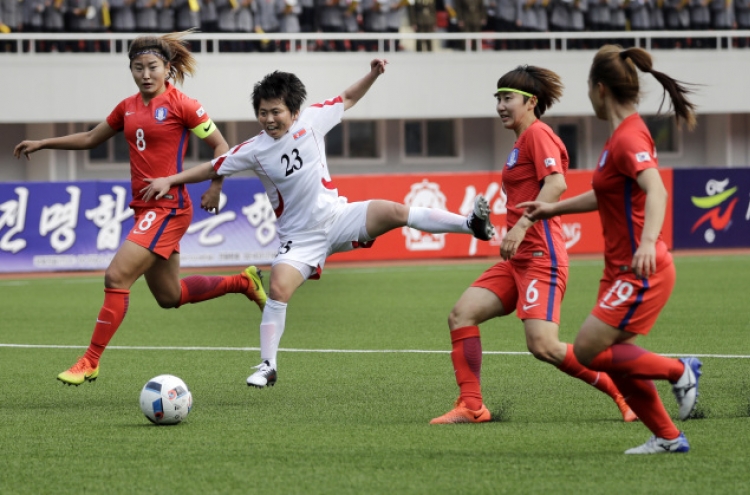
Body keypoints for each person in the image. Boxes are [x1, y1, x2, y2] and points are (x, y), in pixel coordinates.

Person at [141, 59, 496, 388]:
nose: (268, 119)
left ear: (293, 111)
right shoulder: (253, 149)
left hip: (338, 217)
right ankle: (267, 365)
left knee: (395, 212)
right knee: (279, 288)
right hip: (300, 238)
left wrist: (373, 74)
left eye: (275, 111)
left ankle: (471, 224)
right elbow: (212, 167)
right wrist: (170, 182)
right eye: (262, 112)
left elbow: (348, 97)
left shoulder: (314, 119)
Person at [13, 31, 267, 386]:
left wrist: (215, 185)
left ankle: (90, 361)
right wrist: (44, 142)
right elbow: (90, 138)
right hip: (144, 209)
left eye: (152, 67)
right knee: (169, 296)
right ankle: (243, 281)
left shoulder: (184, 105)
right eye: (137, 68)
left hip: (169, 208)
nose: (145, 74)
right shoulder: (127, 107)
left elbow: (222, 145)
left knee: (116, 277)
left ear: (166, 67)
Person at [518, 45, 702, 454]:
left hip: (642, 269)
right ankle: (668, 437)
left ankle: (679, 370)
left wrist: (649, 243)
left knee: (587, 349)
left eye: (587, 87)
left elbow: (656, 188)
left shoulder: (629, 136)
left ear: (600, 89)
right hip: (619, 270)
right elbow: (604, 196)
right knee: (611, 355)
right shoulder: (620, 138)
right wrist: (551, 209)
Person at [430, 65, 636, 425]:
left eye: (507, 98)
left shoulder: (539, 135)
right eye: (497, 98)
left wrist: (522, 225)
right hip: (517, 260)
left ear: (531, 102)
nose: (500, 106)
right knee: (461, 314)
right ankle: (472, 406)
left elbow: (556, 184)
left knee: (543, 346)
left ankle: (624, 392)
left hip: (542, 255)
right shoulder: (521, 141)